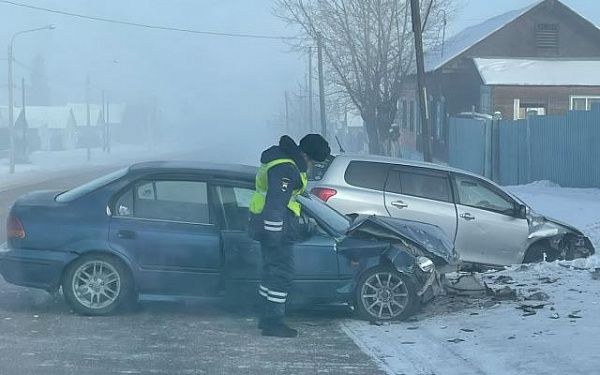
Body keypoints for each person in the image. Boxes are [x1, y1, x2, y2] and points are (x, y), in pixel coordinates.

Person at [249, 134, 331, 337]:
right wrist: (275, 236)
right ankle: (273, 324)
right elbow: (276, 203)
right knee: (281, 274)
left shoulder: (281, 160)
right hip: (276, 229)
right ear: (306, 156)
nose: (311, 167)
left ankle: (265, 318)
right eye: (312, 162)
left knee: (271, 273)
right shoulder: (286, 168)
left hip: (268, 226)